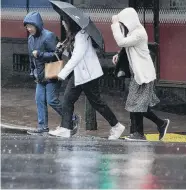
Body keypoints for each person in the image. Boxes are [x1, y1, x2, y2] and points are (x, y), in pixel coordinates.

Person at [49, 16, 125, 139]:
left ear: (71, 23)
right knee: (68, 99)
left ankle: (116, 126)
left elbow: (77, 57)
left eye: (65, 22)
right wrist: (62, 50)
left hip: (88, 75)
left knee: (96, 102)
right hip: (80, 74)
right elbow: (73, 54)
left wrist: (62, 73)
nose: (63, 24)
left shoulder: (82, 35)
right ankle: (65, 128)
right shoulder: (74, 36)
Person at [111, 8, 170, 141]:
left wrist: (114, 25)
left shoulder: (139, 33)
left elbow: (122, 42)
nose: (123, 26)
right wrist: (118, 56)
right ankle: (152, 127)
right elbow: (128, 48)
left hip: (144, 75)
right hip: (137, 75)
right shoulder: (134, 33)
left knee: (137, 105)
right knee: (135, 104)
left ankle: (141, 132)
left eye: (123, 23)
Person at [23, 12, 77, 135]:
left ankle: (72, 118)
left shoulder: (49, 36)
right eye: (27, 26)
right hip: (40, 74)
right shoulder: (30, 39)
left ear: (37, 24)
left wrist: (40, 54)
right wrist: (32, 70)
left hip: (51, 72)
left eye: (30, 26)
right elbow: (32, 57)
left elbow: (56, 55)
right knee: (39, 100)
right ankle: (42, 127)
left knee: (51, 100)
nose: (28, 29)